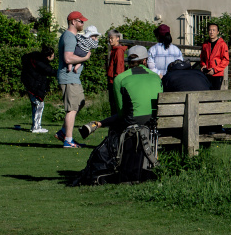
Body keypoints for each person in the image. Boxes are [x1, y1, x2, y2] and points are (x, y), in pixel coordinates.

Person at [74, 46, 164, 181]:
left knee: (117, 126)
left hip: (134, 123)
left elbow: (121, 112)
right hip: (155, 123)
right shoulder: (156, 78)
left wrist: (105, 122)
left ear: (128, 61)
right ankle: (98, 124)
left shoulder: (120, 79)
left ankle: (99, 127)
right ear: (145, 61)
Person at [55, 11, 91, 148]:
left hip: (73, 78)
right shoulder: (69, 37)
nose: (83, 23)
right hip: (68, 77)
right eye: (81, 21)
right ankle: (68, 140)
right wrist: (85, 58)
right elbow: (68, 58)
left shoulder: (72, 36)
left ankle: (63, 133)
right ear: (73, 22)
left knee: (79, 103)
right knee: (72, 109)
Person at [20, 45, 57, 133]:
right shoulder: (40, 63)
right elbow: (50, 71)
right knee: (39, 105)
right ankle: (36, 127)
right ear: (48, 56)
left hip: (31, 85)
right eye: (53, 55)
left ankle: (36, 126)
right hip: (34, 86)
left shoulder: (35, 59)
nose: (54, 56)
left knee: (36, 105)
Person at [200, 23, 230, 90]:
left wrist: (215, 70)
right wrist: (203, 65)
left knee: (215, 94)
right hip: (207, 73)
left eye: (214, 30)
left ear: (217, 32)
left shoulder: (222, 44)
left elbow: (225, 60)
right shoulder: (205, 44)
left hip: (217, 74)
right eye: (210, 30)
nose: (211, 32)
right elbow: (202, 58)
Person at [104, 29, 127, 115]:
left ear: (117, 38)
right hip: (112, 80)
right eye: (109, 38)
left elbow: (119, 67)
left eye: (112, 38)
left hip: (115, 81)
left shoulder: (118, 51)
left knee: (115, 104)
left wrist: (116, 81)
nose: (110, 40)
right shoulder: (114, 50)